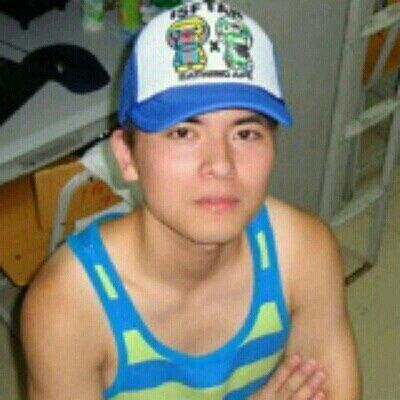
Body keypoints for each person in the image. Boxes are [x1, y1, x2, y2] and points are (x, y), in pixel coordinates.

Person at [20, 1, 361, 399]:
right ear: (126, 155)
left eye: (246, 133)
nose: (221, 164)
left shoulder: (303, 253)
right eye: (183, 132)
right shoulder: (69, 307)